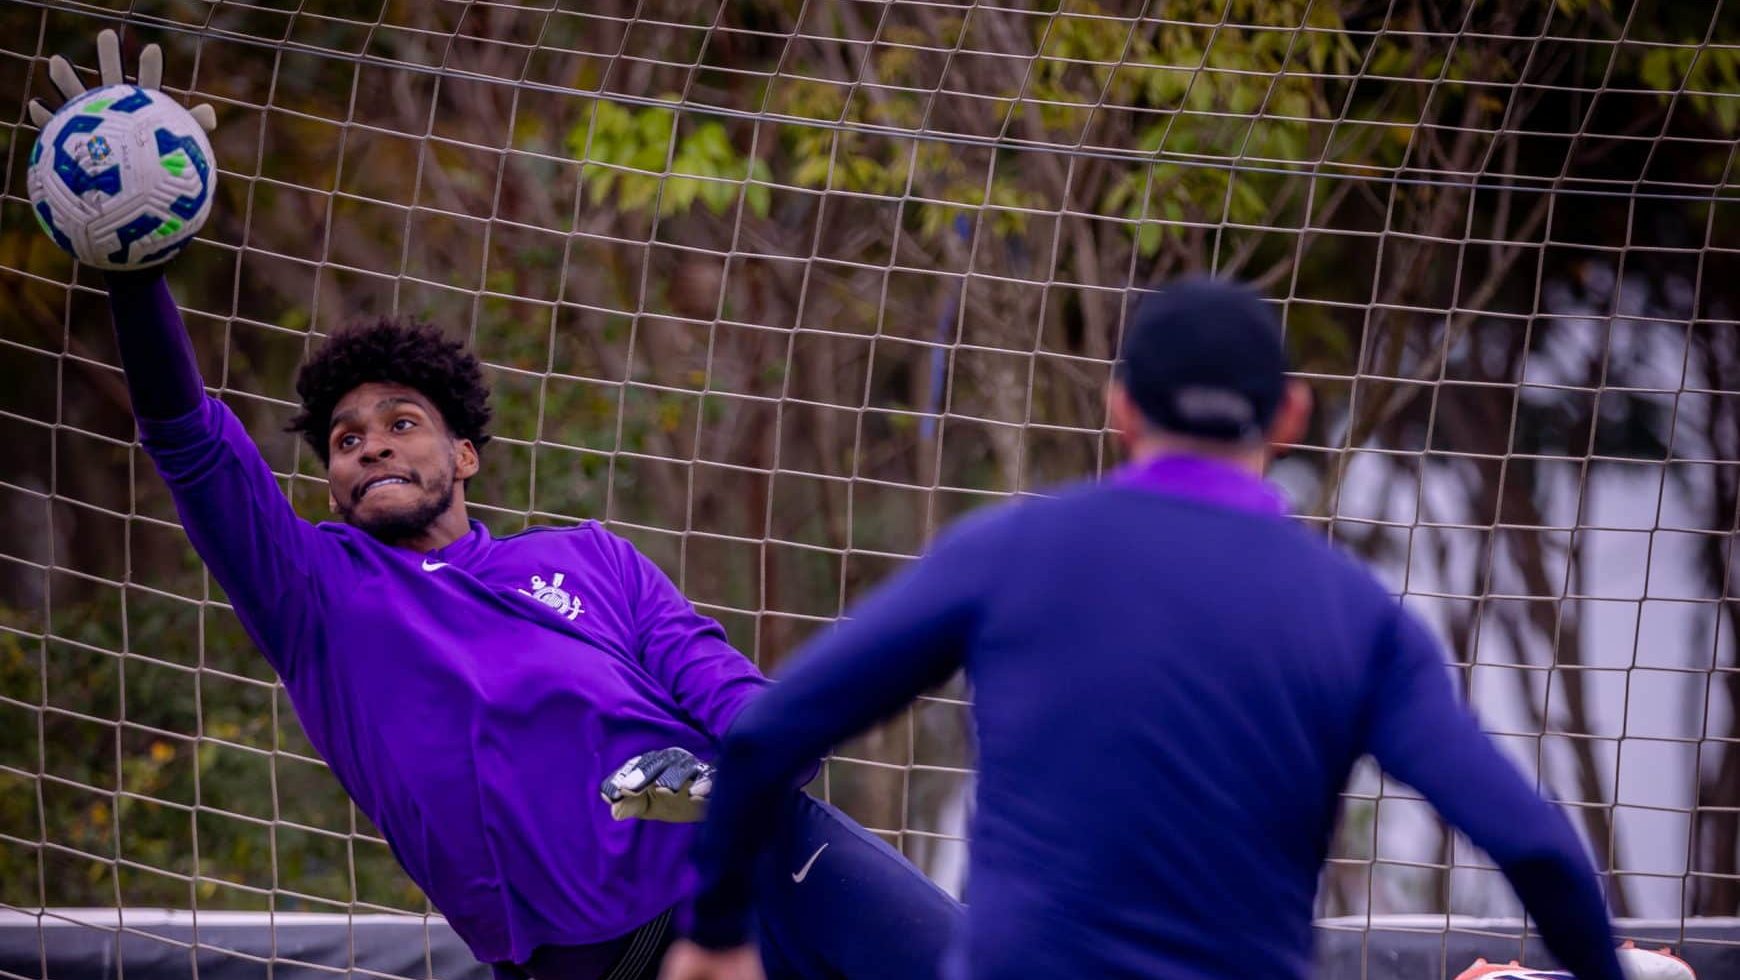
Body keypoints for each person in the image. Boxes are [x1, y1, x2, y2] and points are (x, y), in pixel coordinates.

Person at [26, 31, 958, 980]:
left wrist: (773, 741)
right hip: (600, 958)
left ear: (463, 454)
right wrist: (132, 271)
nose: (373, 443)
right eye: (347, 440)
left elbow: (716, 682)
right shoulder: (313, 594)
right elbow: (189, 443)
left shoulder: (593, 558)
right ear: (334, 484)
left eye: (401, 423)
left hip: (762, 855)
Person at [665, 278, 1629, 980]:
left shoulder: (1010, 554)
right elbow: (1534, 846)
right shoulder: (1355, 614)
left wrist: (715, 937)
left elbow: (761, 735)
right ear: (1289, 415)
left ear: (1119, 406)